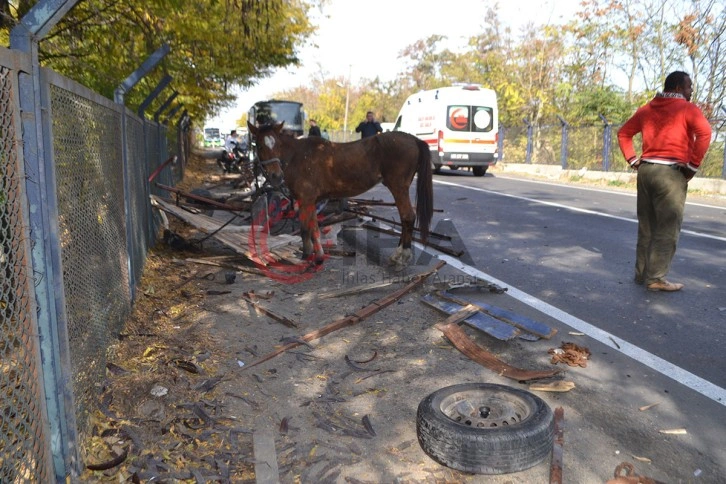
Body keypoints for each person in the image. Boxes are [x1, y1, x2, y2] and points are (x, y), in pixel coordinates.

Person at [617, 71, 711, 292]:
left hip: (646, 170)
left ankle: (642, 274)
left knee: (647, 225)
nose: (691, 92)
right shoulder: (688, 109)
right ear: (678, 87)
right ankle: (656, 278)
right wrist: (692, 166)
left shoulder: (648, 108)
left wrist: (633, 160)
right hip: (670, 172)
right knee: (667, 227)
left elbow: (624, 133)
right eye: (689, 87)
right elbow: (705, 134)